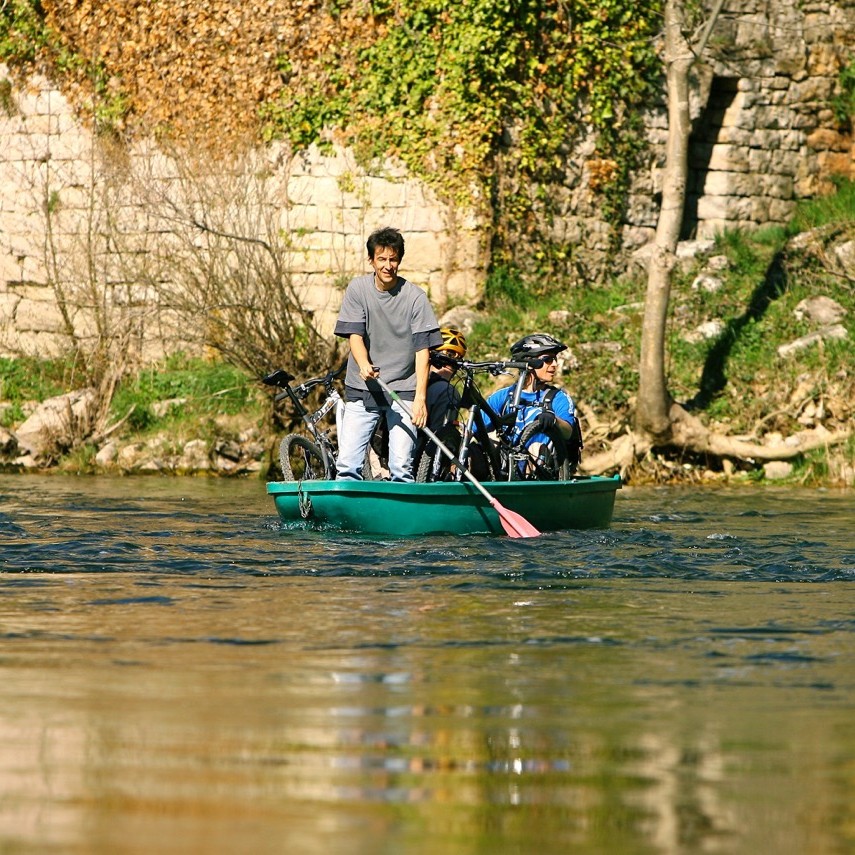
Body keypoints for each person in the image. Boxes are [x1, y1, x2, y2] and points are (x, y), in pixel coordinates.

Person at [334, 227, 441, 481]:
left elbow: (423, 352)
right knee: (347, 465)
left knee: (401, 468)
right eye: (381, 259)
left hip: (403, 389)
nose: (387, 265)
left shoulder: (415, 298)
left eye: (393, 259)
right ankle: (346, 515)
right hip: (364, 386)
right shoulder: (358, 289)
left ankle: (400, 515)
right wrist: (363, 363)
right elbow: (355, 336)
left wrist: (420, 399)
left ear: (399, 261)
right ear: (371, 260)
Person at [483, 332, 580, 474]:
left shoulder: (558, 397)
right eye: (547, 359)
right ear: (529, 362)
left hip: (542, 466)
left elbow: (568, 432)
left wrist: (554, 420)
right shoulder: (502, 397)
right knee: (485, 442)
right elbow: (474, 429)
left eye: (555, 359)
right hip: (504, 465)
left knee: (536, 447)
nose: (554, 364)